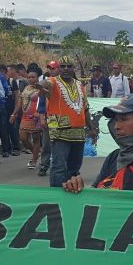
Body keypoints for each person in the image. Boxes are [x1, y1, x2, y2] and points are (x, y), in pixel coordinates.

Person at [41, 57, 91, 187]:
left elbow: (85, 108)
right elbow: (45, 84)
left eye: (69, 66)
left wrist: (92, 128)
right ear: (58, 68)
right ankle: (57, 199)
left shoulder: (80, 85)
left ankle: (72, 195)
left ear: (73, 68)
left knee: (74, 169)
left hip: (79, 133)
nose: (66, 69)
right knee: (59, 167)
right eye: (63, 66)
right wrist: (40, 86)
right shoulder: (53, 81)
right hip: (59, 133)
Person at [12, 67, 44, 170]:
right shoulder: (27, 88)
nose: (31, 79)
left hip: (36, 117)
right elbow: (20, 101)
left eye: (33, 77)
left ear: (37, 78)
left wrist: (40, 113)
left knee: (36, 138)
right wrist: (14, 113)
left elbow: (44, 102)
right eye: (29, 77)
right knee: (23, 138)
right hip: (25, 117)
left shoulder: (41, 88)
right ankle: (36, 152)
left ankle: (34, 159)